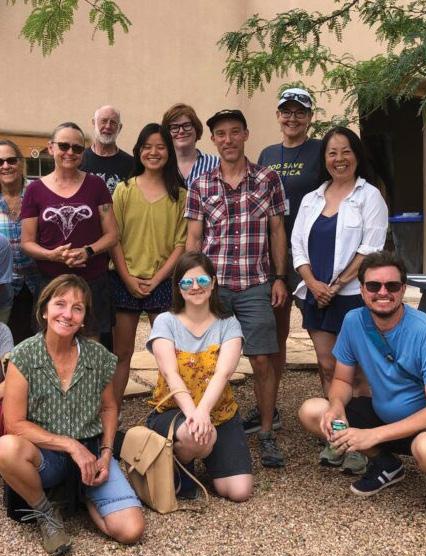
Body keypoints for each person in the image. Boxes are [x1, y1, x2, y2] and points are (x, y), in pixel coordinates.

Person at [299, 251, 426, 516]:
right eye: (374, 286)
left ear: (403, 289)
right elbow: (342, 379)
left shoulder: (425, 330)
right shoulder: (353, 321)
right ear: (362, 290)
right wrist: (336, 406)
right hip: (386, 415)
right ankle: (387, 465)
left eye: (391, 286)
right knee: (313, 411)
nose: (383, 292)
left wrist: (373, 435)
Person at [0, 274, 144, 556]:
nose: (67, 314)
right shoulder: (23, 357)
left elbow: (109, 408)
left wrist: (106, 453)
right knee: (5, 447)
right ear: (44, 310)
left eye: (77, 308)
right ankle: (46, 513)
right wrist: (70, 445)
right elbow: (15, 424)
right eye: (60, 304)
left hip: (93, 450)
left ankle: (83, 495)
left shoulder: (97, 356)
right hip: (46, 456)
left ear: (84, 318)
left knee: (131, 530)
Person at [185, 109, 288, 468]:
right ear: (213, 140)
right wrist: (190, 282)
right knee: (207, 360)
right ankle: (207, 424)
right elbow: (194, 237)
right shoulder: (201, 184)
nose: (227, 140)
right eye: (220, 134)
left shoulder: (268, 179)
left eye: (234, 132)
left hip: (254, 284)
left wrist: (279, 277)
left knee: (262, 359)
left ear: (245, 134)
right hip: (213, 288)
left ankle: (266, 431)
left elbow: (277, 230)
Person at [242, 88, 322, 434]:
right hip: (272, 253)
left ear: (310, 117)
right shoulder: (267, 154)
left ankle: (336, 410)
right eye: (286, 112)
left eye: (299, 112)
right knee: (275, 335)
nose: (292, 118)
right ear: (278, 116)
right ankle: (268, 408)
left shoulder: (320, 151)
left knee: (321, 334)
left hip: (310, 254)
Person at [146, 251, 252, 501]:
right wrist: (195, 415)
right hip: (174, 411)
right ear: (178, 288)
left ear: (213, 283)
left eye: (202, 280)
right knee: (197, 436)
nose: (195, 287)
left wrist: (203, 412)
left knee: (239, 491)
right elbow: (170, 373)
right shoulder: (165, 321)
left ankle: (202, 453)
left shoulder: (228, 323)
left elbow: (223, 373)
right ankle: (180, 464)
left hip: (219, 413)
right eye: (187, 282)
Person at [291, 126, 388, 395]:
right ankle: (335, 419)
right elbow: (297, 246)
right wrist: (313, 285)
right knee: (327, 365)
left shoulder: (369, 196)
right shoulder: (311, 199)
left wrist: (335, 287)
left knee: (356, 369)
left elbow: (371, 250)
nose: (339, 159)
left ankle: (362, 419)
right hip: (316, 295)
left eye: (346, 152)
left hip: (352, 296)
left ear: (357, 155)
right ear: (324, 158)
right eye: (332, 153)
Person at [110, 123, 187, 409]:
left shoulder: (180, 195)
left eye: (160, 147)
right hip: (123, 279)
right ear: (138, 151)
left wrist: (156, 280)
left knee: (169, 354)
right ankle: (113, 414)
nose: (154, 152)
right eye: (147, 147)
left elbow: (181, 244)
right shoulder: (124, 190)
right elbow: (114, 238)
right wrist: (127, 278)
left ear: (169, 152)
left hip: (164, 281)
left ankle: (170, 410)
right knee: (121, 353)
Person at [20, 122, 118, 341]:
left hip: (92, 281)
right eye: (64, 146)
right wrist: (51, 255)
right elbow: (27, 242)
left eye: (77, 148)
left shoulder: (96, 185)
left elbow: (112, 234)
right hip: (52, 282)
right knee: (51, 345)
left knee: (91, 346)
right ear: (50, 147)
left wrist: (88, 251)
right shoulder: (34, 190)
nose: (70, 152)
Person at [0, 140, 42, 344]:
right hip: (6, 288)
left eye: (11, 160)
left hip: (40, 281)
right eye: (0, 162)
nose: (5, 166)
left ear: (21, 162)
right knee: (10, 346)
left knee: (42, 344)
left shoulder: (38, 192)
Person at [161, 103, 219, 187]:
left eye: (187, 125)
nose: (181, 131)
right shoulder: (161, 167)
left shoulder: (217, 164)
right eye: (174, 127)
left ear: (196, 129)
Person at [80, 105, 134, 195]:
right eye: (104, 121)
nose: (108, 126)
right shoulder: (79, 159)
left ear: (119, 128)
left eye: (113, 122)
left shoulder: (131, 165)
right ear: (94, 123)